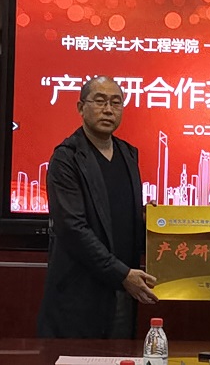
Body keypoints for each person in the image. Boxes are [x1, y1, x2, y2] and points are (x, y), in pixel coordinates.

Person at [37, 76, 158, 339]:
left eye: (116, 103)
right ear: (81, 108)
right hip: (79, 294)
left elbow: (115, 217)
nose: (108, 109)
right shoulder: (66, 158)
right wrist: (121, 274)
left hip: (121, 291)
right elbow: (73, 228)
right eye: (100, 101)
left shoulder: (127, 154)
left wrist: (144, 219)